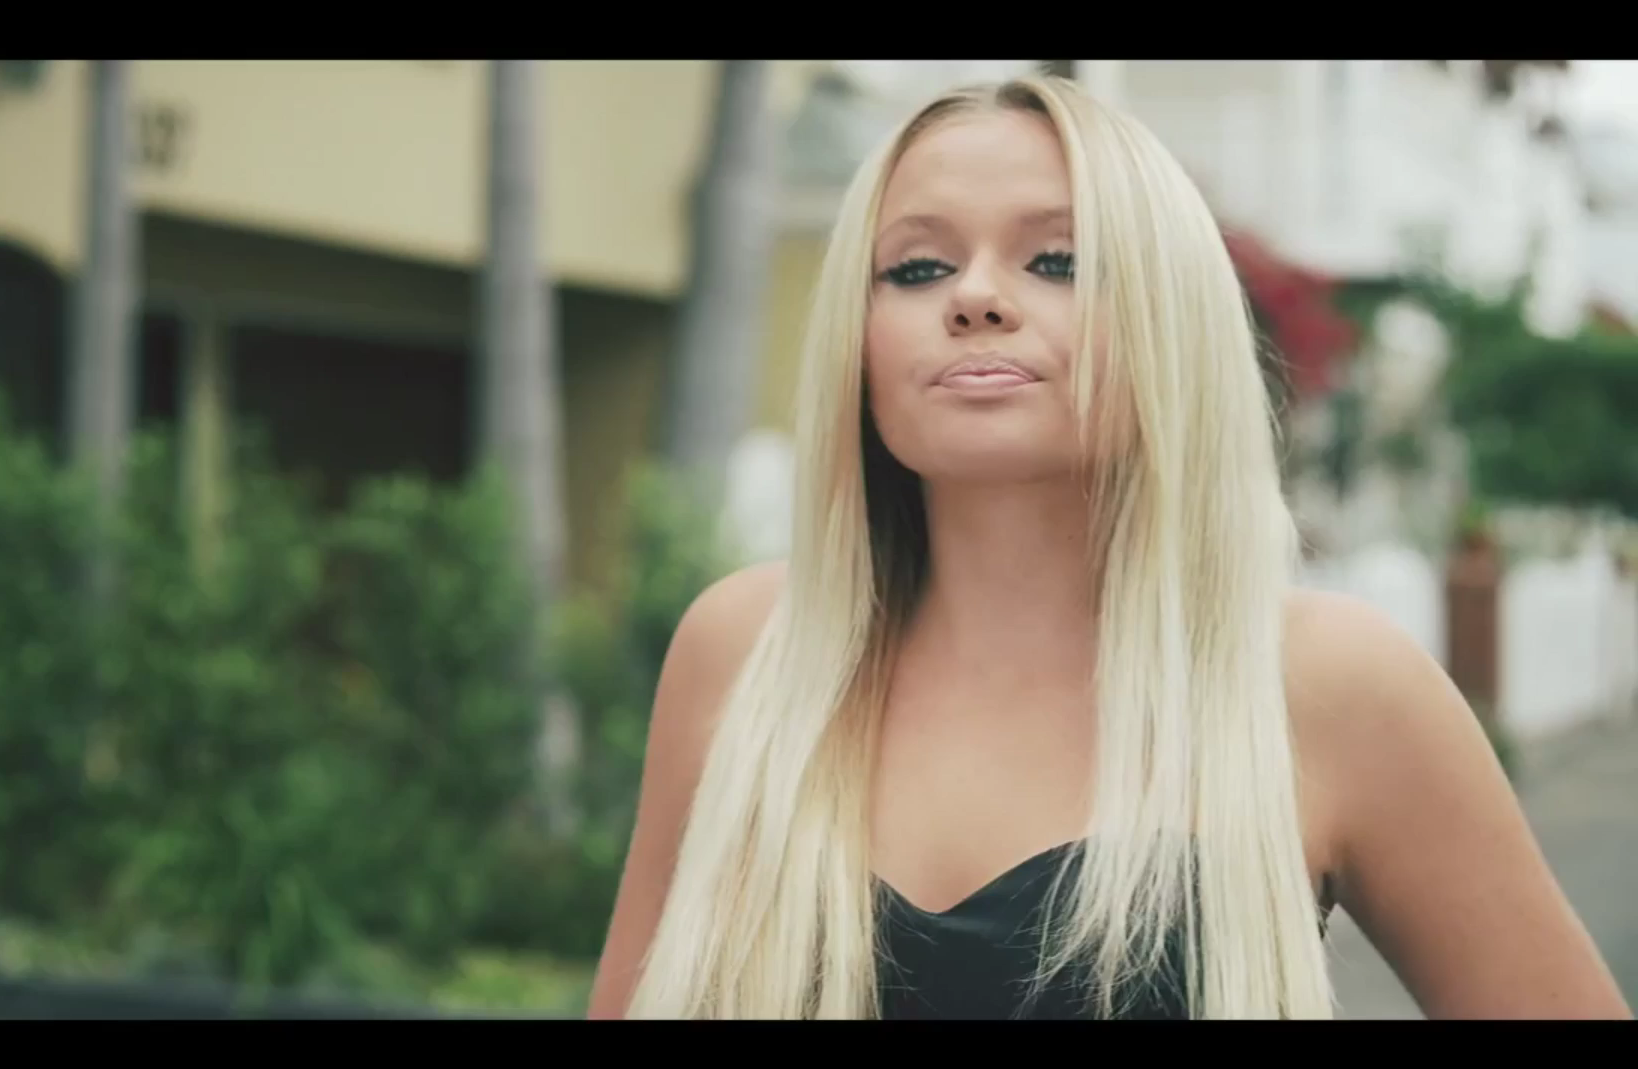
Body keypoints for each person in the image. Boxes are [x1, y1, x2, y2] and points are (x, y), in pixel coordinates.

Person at [584, 74, 1632, 1021]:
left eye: (1057, 260)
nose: (974, 297)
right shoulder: (745, 652)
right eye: (917, 266)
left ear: (1170, 318)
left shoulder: (1329, 685)